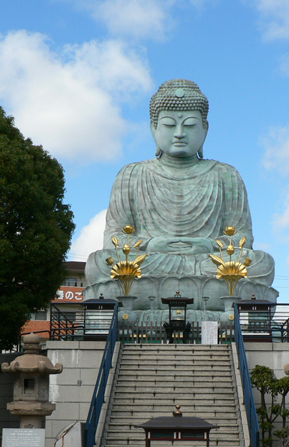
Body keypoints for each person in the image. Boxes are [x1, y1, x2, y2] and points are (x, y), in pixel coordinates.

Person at [84, 79, 277, 323]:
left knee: (261, 264)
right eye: (168, 124)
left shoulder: (226, 175)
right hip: (150, 262)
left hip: (208, 263)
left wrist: (205, 246)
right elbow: (114, 239)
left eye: (189, 125)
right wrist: (155, 245)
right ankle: (224, 317)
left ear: (205, 129)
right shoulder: (130, 174)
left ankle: (131, 315)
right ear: (154, 128)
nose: (179, 133)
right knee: (98, 264)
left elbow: (242, 239)